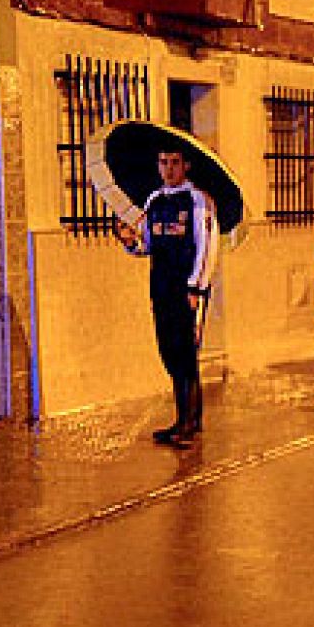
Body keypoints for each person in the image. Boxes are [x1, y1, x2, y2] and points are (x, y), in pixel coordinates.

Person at [116, 147, 219, 448]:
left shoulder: (199, 200)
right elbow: (148, 245)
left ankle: (188, 422)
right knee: (170, 351)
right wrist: (130, 242)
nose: (169, 169)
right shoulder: (154, 200)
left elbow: (207, 247)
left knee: (186, 352)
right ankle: (186, 418)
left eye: (175, 162)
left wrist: (196, 288)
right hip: (161, 286)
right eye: (163, 162)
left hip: (186, 288)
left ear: (186, 165)